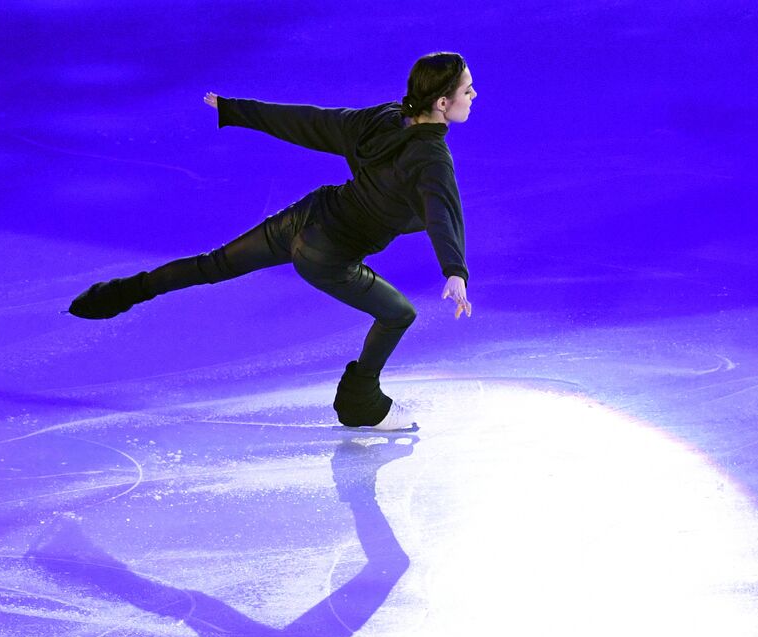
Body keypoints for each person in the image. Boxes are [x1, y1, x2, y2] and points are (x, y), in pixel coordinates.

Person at [66, 52, 478, 431]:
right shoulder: (431, 158)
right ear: (442, 102)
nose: (473, 95)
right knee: (399, 314)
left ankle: (118, 293)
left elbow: (311, 122)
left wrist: (237, 110)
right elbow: (443, 211)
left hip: (305, 217)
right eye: (466, 89)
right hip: (328, 256)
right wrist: (455, 271)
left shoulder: (383, 118)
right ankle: (361, 402)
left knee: (213, 265)